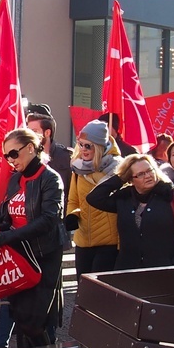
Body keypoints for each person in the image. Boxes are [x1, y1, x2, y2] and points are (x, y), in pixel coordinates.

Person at [85, 154, 174, 348]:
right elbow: (93, 198)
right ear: (131, 178)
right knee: (122, 327)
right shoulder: (123, 196)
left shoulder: (173, 195)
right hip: (127, 271)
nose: (147, 176)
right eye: (140, 173)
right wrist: (118, 177)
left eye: (149, 170)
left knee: (151, 332)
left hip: (160, 274)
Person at [0, 128, 65, 348]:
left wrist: (11, 235)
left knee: (35, 320)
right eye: (6, 156)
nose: (10, 160)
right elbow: (7, 213)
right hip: (19, 255)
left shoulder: (50, 178)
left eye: (14, 153)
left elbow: (49, 219)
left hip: (44, 254)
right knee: (21, 316)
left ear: (31, 148)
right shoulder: (15, 180)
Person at [65, 120, 122, 281]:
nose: (83, 149)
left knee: (99, 296)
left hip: (109, 242)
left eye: (88, 146)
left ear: (99, 147)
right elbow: (73, 201)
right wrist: (72, 215)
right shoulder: (77, 169)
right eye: (80, 144)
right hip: (83, 241)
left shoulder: (118, 169)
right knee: (83, 293)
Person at [26, 112, 71, 203]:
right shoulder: (26, 158)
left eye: (34, 131)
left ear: (47, 133)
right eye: (28, 131)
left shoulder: (67, 157)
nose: (29, 136)